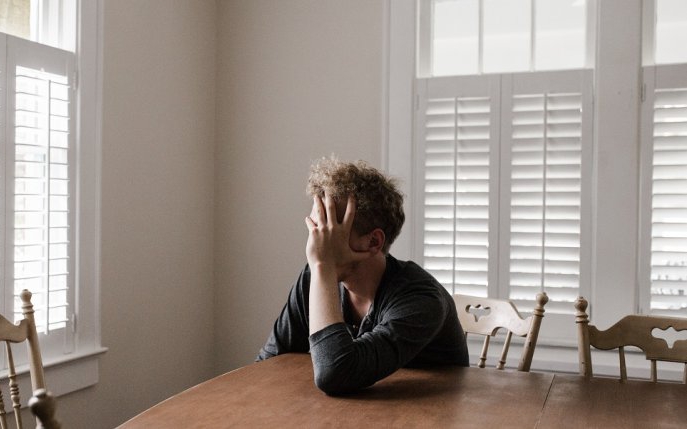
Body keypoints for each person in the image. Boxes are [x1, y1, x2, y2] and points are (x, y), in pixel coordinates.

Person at [257, 156, 469, 395]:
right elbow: (268, 364)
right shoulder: (315, 276)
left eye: (328, 230)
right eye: (315, 228)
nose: (315, 243)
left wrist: (323, 266)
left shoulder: (421, 299)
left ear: (373, 241)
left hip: (430, 411)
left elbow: (335, 374)